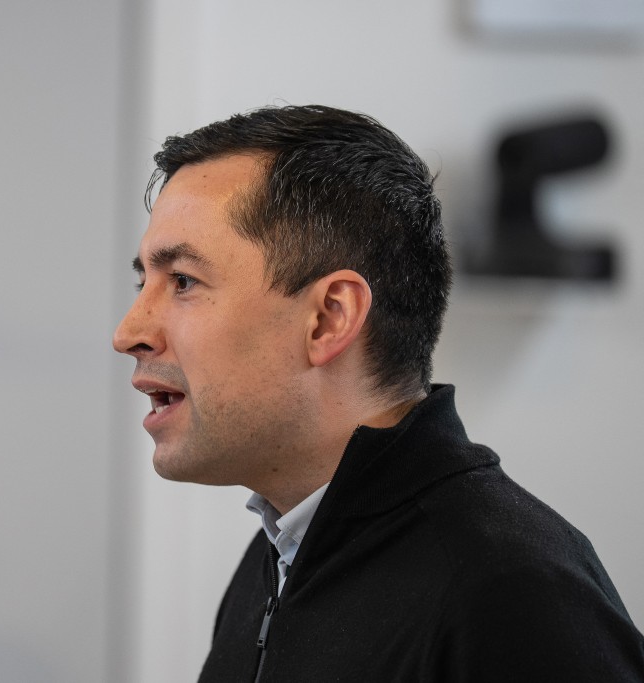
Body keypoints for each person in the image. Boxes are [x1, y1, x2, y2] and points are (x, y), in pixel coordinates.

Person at [112, 104, 644, 682]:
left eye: (183, 281)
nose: (129, 333)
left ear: (328, 319)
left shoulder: (509, 594)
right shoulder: (280, 560)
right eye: (146, 281)